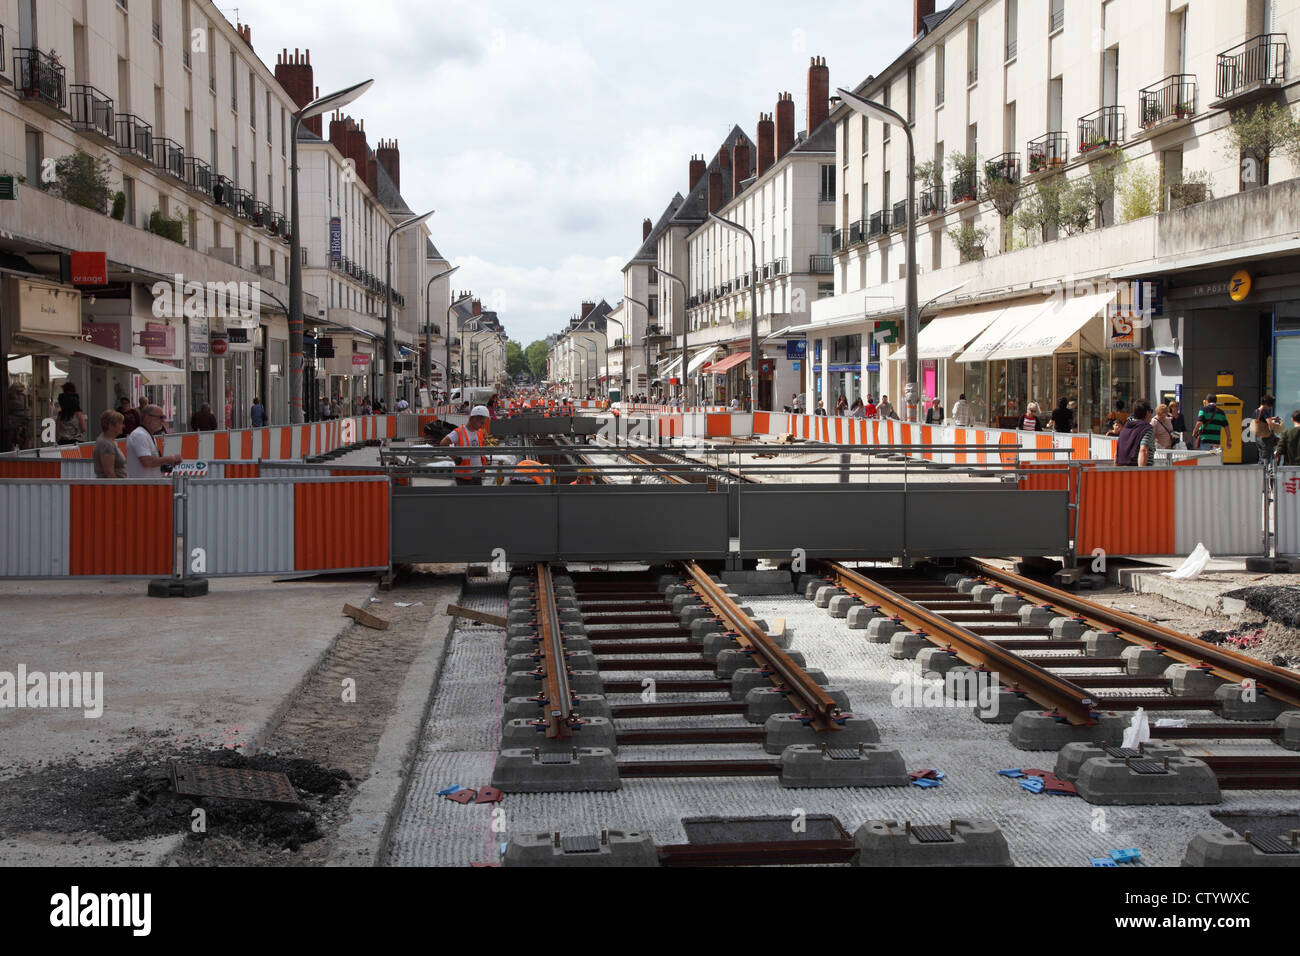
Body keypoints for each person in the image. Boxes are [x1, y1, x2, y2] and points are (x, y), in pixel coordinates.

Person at [126, 405, 182, 478]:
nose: (163, 421)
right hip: (142, 486)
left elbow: (152, 461)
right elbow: (147, 461)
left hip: (149, 485)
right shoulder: (139, 435)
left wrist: (168, 462)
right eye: (160, 417)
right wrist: (171, 458)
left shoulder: (147, 435)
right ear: (148, 418)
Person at [440, 405, 490, 485]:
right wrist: (454, 457)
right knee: (465, 497)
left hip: (478, 472)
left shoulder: (479, 432)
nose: (482, 425)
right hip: (464, 475)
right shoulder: (459, 432)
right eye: (481, 423)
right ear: (474, 418)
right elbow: (443, 444)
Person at [1116, 399, 1156, 467]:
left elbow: (1117, 453)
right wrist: (1141, 472)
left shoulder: (1125, 429)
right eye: (1151, 412)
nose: (1152, 416)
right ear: (1147, 413)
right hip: (1138, 472)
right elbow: (1143, 450)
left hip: (1122, 472)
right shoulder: (1147, 429)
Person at [93, 409, 127, 479]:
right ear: (111, 425)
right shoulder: (107, 444)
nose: (123, 426)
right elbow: (109, 474)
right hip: (112, 487)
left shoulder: (107, 441)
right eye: (120, 423)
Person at [1254, 394, 1282, 464]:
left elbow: (1261, 420)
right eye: (1271, 405)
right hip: (1265, 438)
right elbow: (1270, 423)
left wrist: (1272, 418)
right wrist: (1273, 431)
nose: (1271, 407)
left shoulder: (1256, 411)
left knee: (1261, 456)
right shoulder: (1265, 411)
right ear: (1267, 404)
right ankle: (1264, 473)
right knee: (1266, 458)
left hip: (1258, 437)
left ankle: (1260, 471)